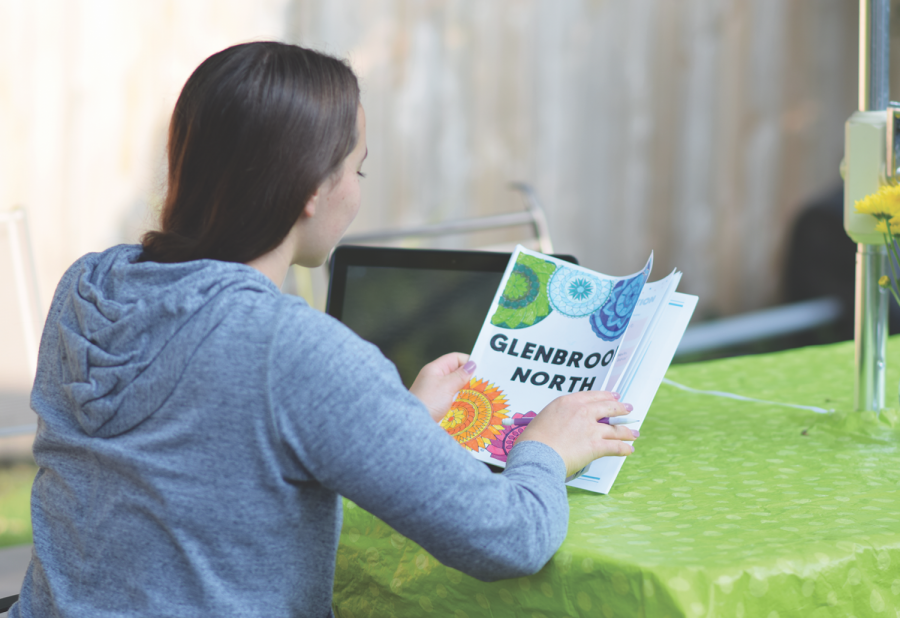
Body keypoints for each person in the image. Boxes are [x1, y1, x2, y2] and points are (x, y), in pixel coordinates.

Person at [11, 42, 637, 617]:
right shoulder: (292, 351)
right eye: (357, 171)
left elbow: (208, 459)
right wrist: (546, 450)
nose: (358, 192)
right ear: (312, 188)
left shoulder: (89, 287)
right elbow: (509, 539)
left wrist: (394, 418)